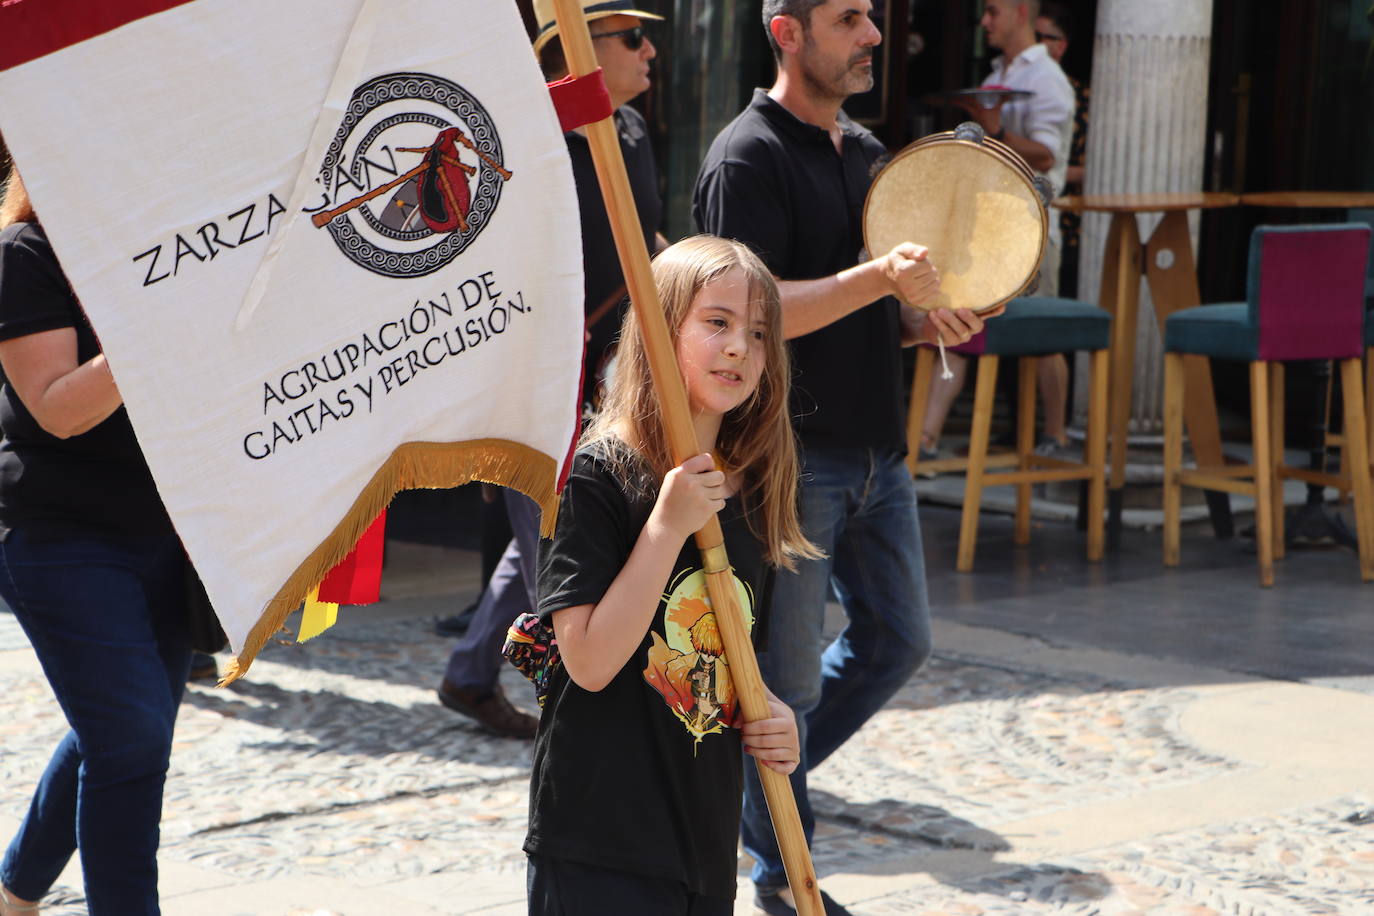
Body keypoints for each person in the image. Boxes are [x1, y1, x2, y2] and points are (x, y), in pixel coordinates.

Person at [692, 3, 990, 912]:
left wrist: (924, 320)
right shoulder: (745, 154)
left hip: (877, 455)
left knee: (899, 643)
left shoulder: (864, 152)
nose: (872, 36)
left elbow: (867, 311)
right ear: (787, 32)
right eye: (849, 17)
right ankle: (786, 877)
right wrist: (879, 280)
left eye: (872, 18)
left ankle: (741, 786)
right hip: (788, 460)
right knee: (781, 683)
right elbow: (751, 313)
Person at [525, 236, 808, 915]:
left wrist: (769, 710)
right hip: (600, 841)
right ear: (660, 329)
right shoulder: (599, 475)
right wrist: (665, 526)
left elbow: (716, 643)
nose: (740, 345)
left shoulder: (751, 486)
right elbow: (589, 661)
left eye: (759, 332)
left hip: (702, 841)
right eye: (717, 322)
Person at [436, 0, 668, 738]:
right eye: (632, 39)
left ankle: (471, 673)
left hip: (613, 371)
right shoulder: (521, 142)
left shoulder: (629, 131)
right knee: (560, 536)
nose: (648, 52)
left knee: (543, 532)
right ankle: (588, 713)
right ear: (573, 50)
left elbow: (647, 237)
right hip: (541, 373)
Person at [0, 164, 193, 914]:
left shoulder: (165, 241)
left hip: (167, 530)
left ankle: (15, 890)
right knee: (132, 738)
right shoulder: (26, 253)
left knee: (117, 730)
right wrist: (156, 329)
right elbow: (55, 408)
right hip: (59, 534)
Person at [920, 0, 1076, 461]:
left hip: (1033, 228)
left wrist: (993, 130)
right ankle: (926, 439)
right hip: (987, 230)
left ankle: (1056, 435)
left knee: (1046, 335)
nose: (985, 22)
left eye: (992, 12)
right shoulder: (996, 76)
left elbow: (1047, 156)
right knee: (960, 324)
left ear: (1021, 12)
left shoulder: (1047, 78)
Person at [1035, 0, 1089, 297]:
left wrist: (1056, 170)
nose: (1039, 44)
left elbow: (1096, 170)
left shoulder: (1079, 97)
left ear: (1061, 46)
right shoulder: (1017, 79)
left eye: (1046, 37)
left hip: (1073, 223)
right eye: (1035, 36)